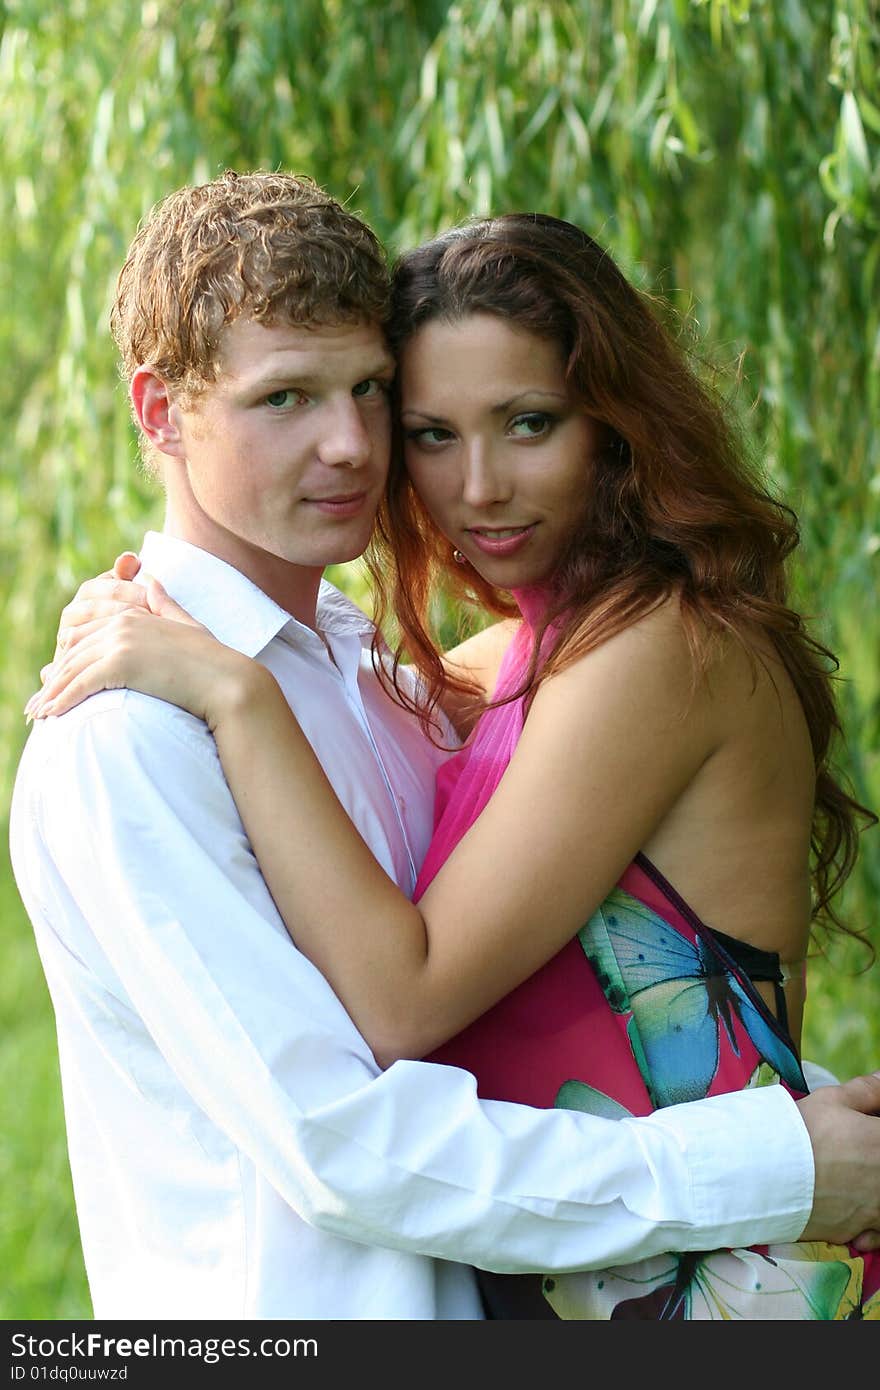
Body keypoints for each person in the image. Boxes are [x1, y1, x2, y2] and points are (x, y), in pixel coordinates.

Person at [12, 175, 880, 1323]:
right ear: (160, 413)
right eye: (286, 399)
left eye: (370, 392)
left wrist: (790, 1131)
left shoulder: (370, 678)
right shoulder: (135, 732)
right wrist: (772, 1157)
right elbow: (345, 1143)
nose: (347, 446)